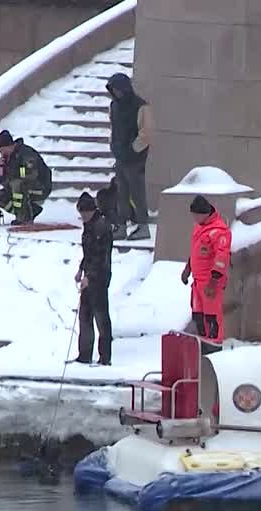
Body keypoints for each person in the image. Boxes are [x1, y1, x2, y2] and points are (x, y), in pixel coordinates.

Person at [106, 73, 152, 241]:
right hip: (120, 156)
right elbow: (113, 127)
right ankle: (122, 225)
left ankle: (142, 226)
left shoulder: (141, 107)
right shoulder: (114, 106)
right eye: (113, 90)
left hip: (135, 158)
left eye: (118, 89)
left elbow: (146, 133)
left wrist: (133, 149)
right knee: (121, 192)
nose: (116, 93)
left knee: (137, 192)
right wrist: (113, 145)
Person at [181, 195, 231, 348]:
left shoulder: (219, 231)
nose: (194, 218)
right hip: (197, 281)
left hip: (210, 282)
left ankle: (214, 346)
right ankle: (202, 343)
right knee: (198, 316)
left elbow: (222, 257)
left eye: (196, 215)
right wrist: (188, 268)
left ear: (205, 213)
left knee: (212, 316)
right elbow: (196, 251)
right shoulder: (200, 227)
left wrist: (213, 281)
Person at [73, 192, 114, 366]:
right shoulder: (89, 225)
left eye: (84, 213)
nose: (82, 217)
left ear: (91, 211)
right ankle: (84, 355)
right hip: (89, 276)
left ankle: (105, 357)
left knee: (101, 316)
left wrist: (89, 277)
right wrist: (80, 269)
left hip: (99, 277)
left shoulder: (101, 227)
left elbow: (100, 256)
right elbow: (88, 253)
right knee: (85, 315)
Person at [0, 130, 53, 225]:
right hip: (20, 188)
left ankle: (25, 218)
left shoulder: (26, 154)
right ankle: (28, 211)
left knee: (17, 185)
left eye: (3, 150)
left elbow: (30, 176)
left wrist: (13, 180)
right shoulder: (9, 158)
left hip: (40, 187)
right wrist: (1, 173)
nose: (2, 153)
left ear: (9, 145)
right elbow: (7, 183)